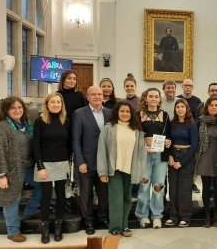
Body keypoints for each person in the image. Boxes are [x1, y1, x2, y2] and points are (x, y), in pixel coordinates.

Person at [0, 96, 39, 243]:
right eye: (13, 108)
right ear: (6, 110)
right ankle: (13, 231)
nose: (17, 110)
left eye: (20, 107)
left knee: (44, 185)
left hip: (29, 167)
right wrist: (1, 175)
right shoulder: (1, 127)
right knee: (11, 199)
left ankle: (28, 213)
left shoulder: (28, 124)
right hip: (10, 171)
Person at [97, 101, 147, 237]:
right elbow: (102, 151)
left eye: (127, 111)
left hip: (130, 169)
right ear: (116, 113)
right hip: (115, 169)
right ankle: (115, 227)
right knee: (116, 199)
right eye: (122, 111)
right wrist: (102, 172)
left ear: (131, 114)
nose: (125, 114)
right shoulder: (109, 128)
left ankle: (125, 226)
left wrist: (141, 171)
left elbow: (142, 153)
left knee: (127, 198)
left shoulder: (137, 130)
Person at [73, 86, 112, 235]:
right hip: (87, 162)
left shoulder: (110, 113)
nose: (97, 97)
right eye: (93, 94)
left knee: (104, 193)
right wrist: (80, 161)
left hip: (105, 162)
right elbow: (76, 140)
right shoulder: (79, 114)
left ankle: (102, 217)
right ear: (87, 97)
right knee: (86, 194)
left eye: (99, 94)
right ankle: (88, 220)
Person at [33, 92, 71, 244]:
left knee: (61, 196)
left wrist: (69, 161)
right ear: (47, 105)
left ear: (62, 105)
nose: (56, 105)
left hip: (62, 162)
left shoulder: (66, 121)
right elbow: (36, 145)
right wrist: (40, 166)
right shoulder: (39, 121)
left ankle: (58, 226)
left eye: (58, 102)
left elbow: (69, 145)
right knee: (46, 196)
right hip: (45, 164)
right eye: (53, 102)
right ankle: (45, 228)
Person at [135, 88, 171, 229]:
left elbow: (169, 135)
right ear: (146, 98)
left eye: (156, 96)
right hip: (144, 155)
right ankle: (143, 215)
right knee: (144, 186)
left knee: (158, 186)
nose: (154, 98)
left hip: (160, 156)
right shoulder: (138, 115)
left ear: (159, 99)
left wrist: (168, 141)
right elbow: (135, 135)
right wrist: (143, 146)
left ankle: (157, 215)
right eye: (151, 96)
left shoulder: (165, 115)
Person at [165, 99, 198, 227]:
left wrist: (182, 162)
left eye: (182, 107)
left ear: (186, 109)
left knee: (184, 189)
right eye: (177, 107)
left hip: (187, 157)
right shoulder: (172, 123)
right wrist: (170, 156)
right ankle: (173, 216)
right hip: (173, 155)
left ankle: (185, 216)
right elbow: (168, 140)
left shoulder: (191, 124)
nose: (180, 109)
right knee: (173, 189)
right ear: (175, 109)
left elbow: (194, 145)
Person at [195, 97, 217, 227]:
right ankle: (207, 215)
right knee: (206, 188)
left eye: (216, 105)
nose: (214, 107)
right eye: (211, 105)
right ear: (206, 107)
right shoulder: (200, 121)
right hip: (205, 157)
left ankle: (216, 215)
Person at [177, 78, 202, 193]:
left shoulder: (197, 101)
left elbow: (198, 118)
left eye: (190, 85)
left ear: (192, 87)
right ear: (182, 86)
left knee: (192, 161)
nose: (187, 87)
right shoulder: (178, 99)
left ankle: (192, 183)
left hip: (193, 132)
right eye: (185, 85)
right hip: (179, 133)